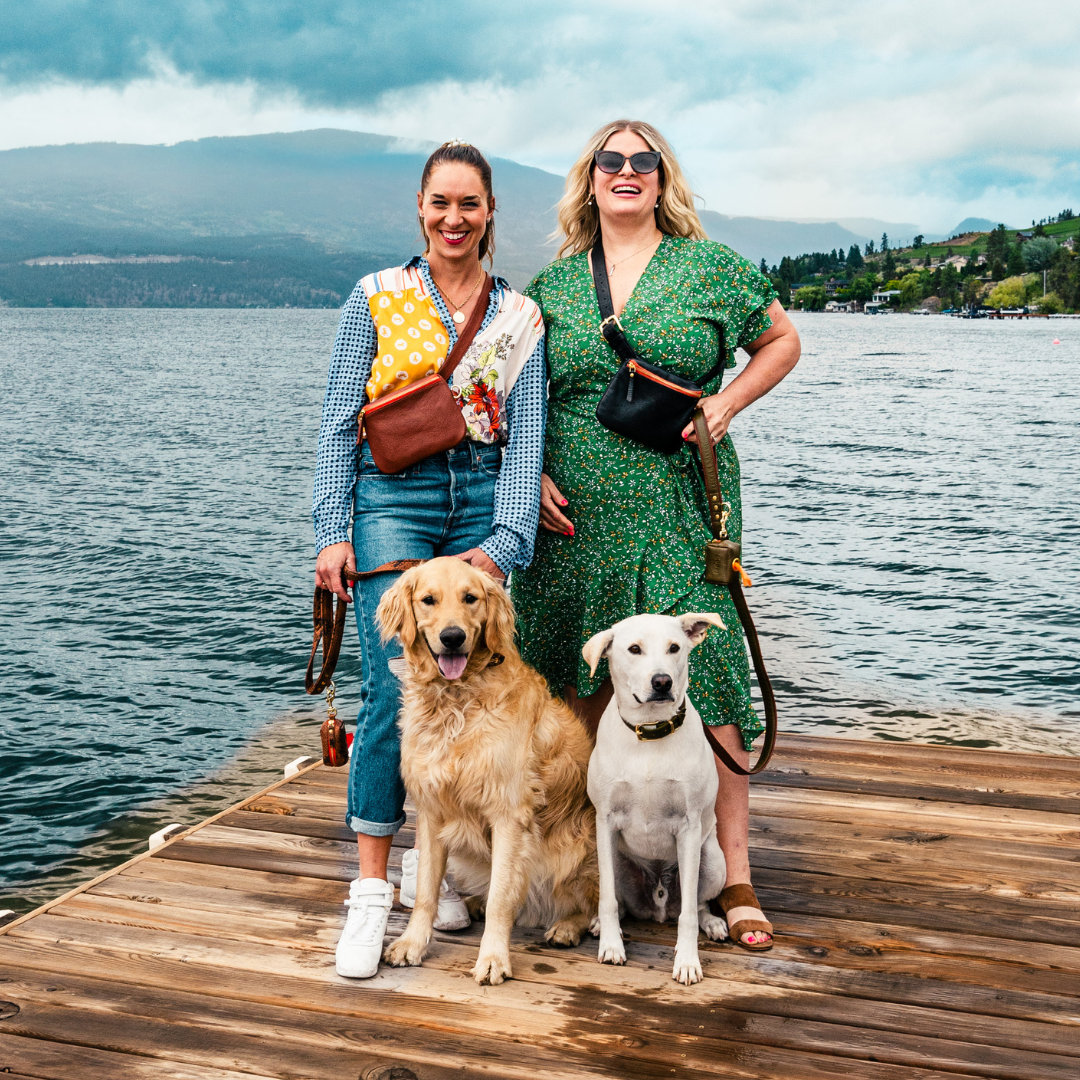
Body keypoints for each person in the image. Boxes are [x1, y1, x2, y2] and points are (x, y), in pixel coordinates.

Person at [511, 120, 801, 950]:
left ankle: (733, 874)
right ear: (590, 179)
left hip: (683, 502)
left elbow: (782, 339)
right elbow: (518, 396)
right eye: (613, 160)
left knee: (704, 683)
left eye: (646, 161)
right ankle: (577, 874)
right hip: (575, 518)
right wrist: (526, 478)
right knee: (578, 681)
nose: (628, 171)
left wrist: (725, 402)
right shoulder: (555, 286)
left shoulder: (710, 267)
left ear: (663, 178)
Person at [312, 141, 546, 979]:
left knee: (476, 690)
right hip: (391, 499)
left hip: (483, 495)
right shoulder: (373, 297)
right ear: (420, 208)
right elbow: (342, 421)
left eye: (470, 205)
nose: (455, 218)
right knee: (391, 694)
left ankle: (434, 865)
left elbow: (527, 445)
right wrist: (331, 531)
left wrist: (504, 543)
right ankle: (372, 897)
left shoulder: (519, 317)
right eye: (441, 203)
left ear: (489, 215)